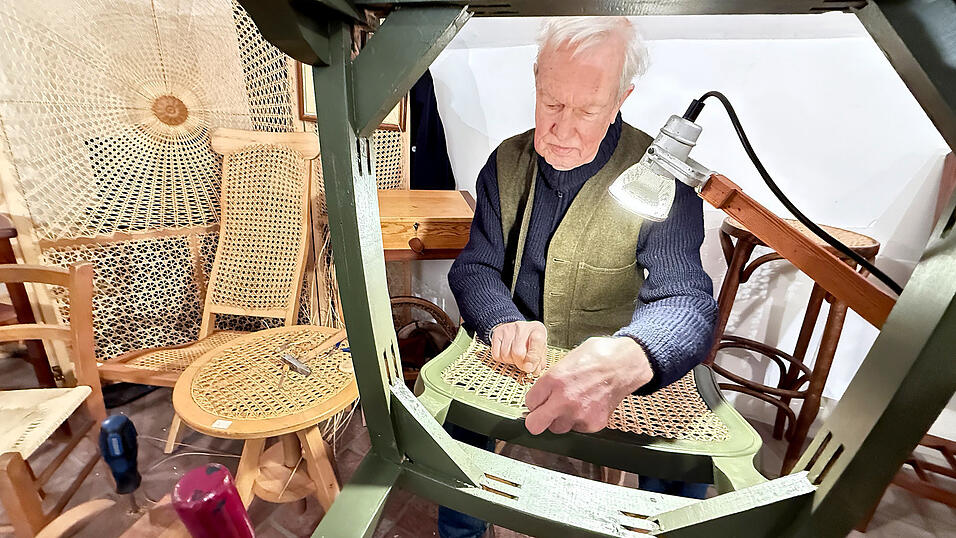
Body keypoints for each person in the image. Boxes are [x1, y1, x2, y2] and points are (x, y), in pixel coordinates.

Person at [441, 17, 717, 538]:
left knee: (686, 461)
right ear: (537, 81)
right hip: (515, 357)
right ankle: (461, 532)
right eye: (550, 104)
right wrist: (502, 321)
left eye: (588, 110)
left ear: (621, 98)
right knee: (454, 434)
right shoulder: (506, 162)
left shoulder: (660, 177)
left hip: (616, 359)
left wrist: (629, 358)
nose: (562, 130)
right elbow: (475, 266)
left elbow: (686, 299)